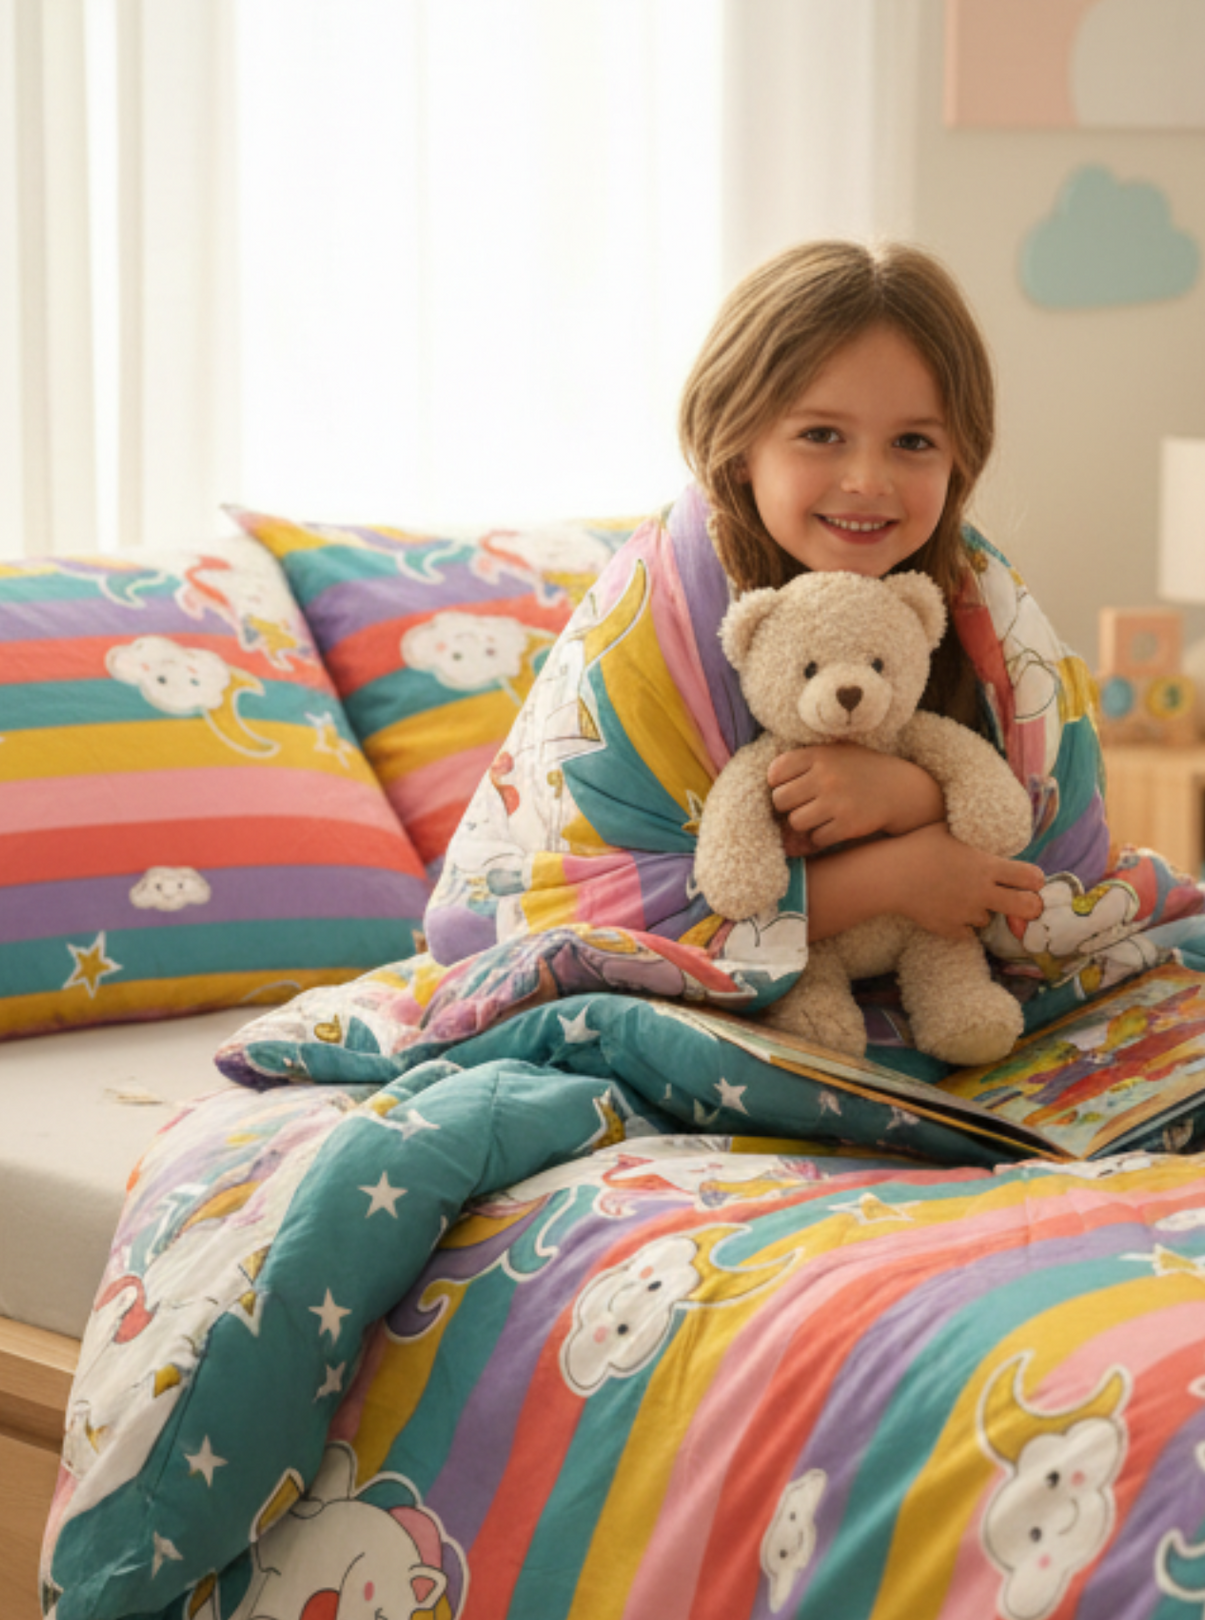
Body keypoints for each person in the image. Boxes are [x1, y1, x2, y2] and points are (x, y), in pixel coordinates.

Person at [424, 239, 1142, 1036]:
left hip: (938, 979)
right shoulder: (655, 620)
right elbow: (583, 912)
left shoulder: (973, 600)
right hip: (783, 1003)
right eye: (822, 434)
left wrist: (915, 794)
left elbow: (1061, 849)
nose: (868, 480)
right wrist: (891, 878)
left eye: (913, 442)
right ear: (739, 446)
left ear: (958, 458)